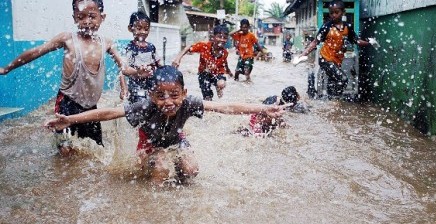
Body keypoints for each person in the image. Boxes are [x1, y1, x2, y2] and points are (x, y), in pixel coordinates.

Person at [44, 66, 288, 186]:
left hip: (176, 139)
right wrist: (70, 120)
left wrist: (263, 109)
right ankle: (151, 207)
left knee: (191, 169)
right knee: (160, 168)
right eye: (161, 95)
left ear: (184, 93)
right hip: (149, 144)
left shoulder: (190, 103)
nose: (168, 102)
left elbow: (226, 107)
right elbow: (109, 113)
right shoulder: (145, 106)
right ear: (152, 95)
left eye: (174, 95)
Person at [0, 0, 148, 156]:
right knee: (65, 149)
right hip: (67, 103)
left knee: (94, 151)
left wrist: (139, 72)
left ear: (102, 17)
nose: (87, 22)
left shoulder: (106, 43)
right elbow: (36, 51)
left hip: (90, 108)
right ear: (74, 18)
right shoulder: (68, 39)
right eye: (81, 16)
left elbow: (124, 67)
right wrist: (7, 68)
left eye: (92, 16)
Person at [299, 0, 372, 99]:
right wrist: (304, 53)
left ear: (343, 12)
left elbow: (357, 41)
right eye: (331, 13)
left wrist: (369, 43)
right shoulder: (326, 27)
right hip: (325, 59)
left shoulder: (347, 27)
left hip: (336, 61)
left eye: (336, 12)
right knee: (343, 79)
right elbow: (315, 42)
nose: (333, 15)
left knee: (333, 82)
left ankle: (329, 103)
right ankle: (335, 102)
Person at [172, 24, 233, 101]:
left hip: (217, 73)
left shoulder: (225, 52)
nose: (222, 40)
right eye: (219, 37)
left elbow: (224, 63)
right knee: (207, 98)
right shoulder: (204, 46)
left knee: (221, 84)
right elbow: (189, 47)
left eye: (224, 38)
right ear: (213, 37)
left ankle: (218, 87)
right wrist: (178, 59)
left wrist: (229, 72)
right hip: (204, 74)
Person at [119, 11, 161, 103]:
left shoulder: (151, 47)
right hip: (135, 84)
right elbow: (123, 70)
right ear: (130, 28)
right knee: (138, 105)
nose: (143, 32)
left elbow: (160, 65)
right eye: (139, 28)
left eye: (146, 29)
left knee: (152, 104)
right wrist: (124, 88)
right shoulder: (130, 48)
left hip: (151, 83)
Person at [240, 86, 306, 137]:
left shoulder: (277, 102)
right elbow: (261, 117)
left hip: (256, 119)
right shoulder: (274, 106)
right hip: (257, 122)